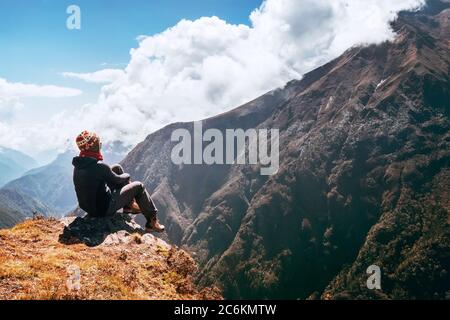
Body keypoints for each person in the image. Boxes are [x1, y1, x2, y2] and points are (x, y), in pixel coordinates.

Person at [72, 130, 165, 233]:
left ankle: (128, 207)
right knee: (139, 186)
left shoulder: (79, 166)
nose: (100, 145)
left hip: (90, 207)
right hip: (103, 209)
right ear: (93, 146)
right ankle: (152, 222)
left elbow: (108, 176)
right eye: (98, 143)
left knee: (117, 168)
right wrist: (127, 176)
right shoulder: (99, 167)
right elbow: (118, 180)